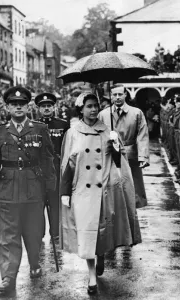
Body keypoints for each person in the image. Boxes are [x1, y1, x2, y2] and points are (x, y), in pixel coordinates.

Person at [60, 92, 141, 294]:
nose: (94, 109)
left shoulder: (107, 131)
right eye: (89, 106)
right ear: (81, 109)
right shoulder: (72, 133)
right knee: (87, 234)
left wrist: (115, 146)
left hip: (104, 190)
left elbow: (117, 163)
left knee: (102, 231)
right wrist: (64, 190)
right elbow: (67, 165)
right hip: (82, 190)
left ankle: (101, 255)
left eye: (96, 105)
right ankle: (92, 277)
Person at [0, 86, 56, 293]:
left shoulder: (40, 129)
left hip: (34, 187)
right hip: (7, 189)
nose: (18, 107)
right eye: (14, 104)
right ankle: (8, 276)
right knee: (8, 235)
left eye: (22, 104)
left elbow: (48, 160)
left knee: (33, 231)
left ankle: (34, 263)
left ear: (28, 106)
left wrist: (50, 189)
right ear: (7, 107)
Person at [98, 85, 150, 208]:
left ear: (125, 95)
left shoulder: (136, 113)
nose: (117, 97)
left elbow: (142, 135)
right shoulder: (103, 115)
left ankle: (133, 209)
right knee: (112, 185)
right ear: (111, 96)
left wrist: (143, 156)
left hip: (130, 154)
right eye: (114, 95)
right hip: (110, 154)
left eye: (120, 94)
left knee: (133, 187)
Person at [35, 92, 69, 238]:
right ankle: (38, 233)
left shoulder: (62, 125)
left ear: (54, 107)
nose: (46, 109)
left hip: (56, 169)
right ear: (38, 109)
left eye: (49, 105)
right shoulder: (33, 126)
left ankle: (55, 232)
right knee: (38, 203)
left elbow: (68, 147)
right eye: (43, 106)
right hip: (38, 170)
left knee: (55, 203)